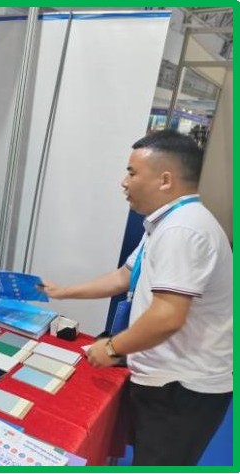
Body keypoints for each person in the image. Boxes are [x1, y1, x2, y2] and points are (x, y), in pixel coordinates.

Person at [41, 129, 232, 466]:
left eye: (132, 172)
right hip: (167, 375)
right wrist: (63, 291)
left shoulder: (183, 230)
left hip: (183, 386)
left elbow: (168, 316)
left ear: (165, 179)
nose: (124, 182)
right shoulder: (167, 221)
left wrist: (112, 348)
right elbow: (125, 276)